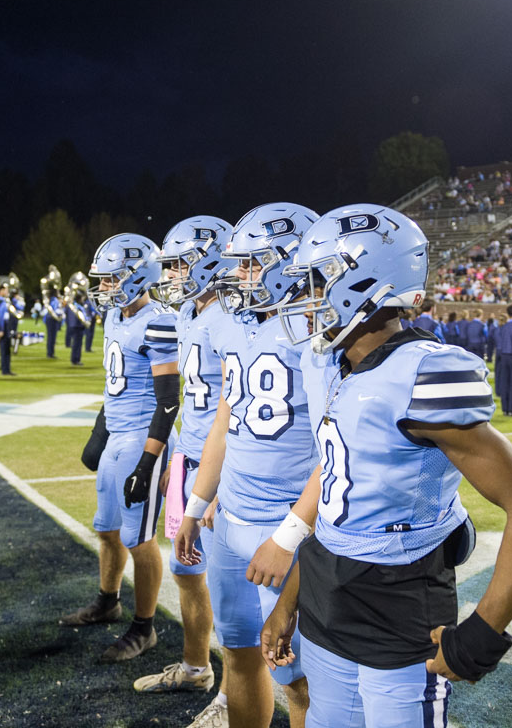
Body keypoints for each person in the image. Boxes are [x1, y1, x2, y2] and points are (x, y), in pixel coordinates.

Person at [260, 204, 512, 726]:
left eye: (318, 279)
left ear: (365, 282)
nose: (303, 297)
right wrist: (291, 598)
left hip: (399, 609)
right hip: (327, 597)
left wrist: (482, 636)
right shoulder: (338, 364)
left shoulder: (424, 373)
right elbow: (335, 504)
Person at [175, 203, 319, 728]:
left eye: (251, 264)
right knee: (236, 650)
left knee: (299, 681)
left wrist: (290, 534)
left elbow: (337, 447)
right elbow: (223, 423)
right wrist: (196, 502)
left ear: (290, 260)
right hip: (229, 517)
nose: (237, 276)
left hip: (283, 526)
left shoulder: (316, 331)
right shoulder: (233, 325)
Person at [61, 233, 178, 664]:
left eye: (111, 279)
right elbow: (114, 388)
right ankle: (108, 602)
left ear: (136, 276)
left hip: (143, 439)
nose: (104, 287)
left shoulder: (159, 320)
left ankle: (143, 629)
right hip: (117, 436)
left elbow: (168, 400)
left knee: (139, 539)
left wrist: (148, 463)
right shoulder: (116, 317)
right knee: (106, 529)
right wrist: (99, 434)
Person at [140, 216, 234, 725]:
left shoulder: (235, 321)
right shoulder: (189, 315)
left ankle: (230, 699)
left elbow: (237, 414)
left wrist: (222, 484)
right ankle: (197, 667)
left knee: (233, 596)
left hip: (218, 471)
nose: (172, 273)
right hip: (186, 460)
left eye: (180, 263)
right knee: (186, 571)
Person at [0, 285, 18, 376]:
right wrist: (0, 329)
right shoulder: (2, 302)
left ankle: (7, 369)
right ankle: (5, 370)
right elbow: (0, 318)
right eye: (6, 290)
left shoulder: (1, 302)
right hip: (4, 328)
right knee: (5, 350)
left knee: (6, 350)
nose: (7, 292)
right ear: (1, 291)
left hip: (5, 327)